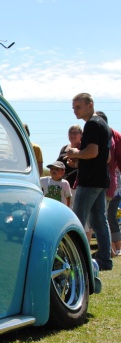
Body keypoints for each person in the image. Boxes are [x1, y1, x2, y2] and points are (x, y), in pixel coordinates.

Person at [64, 93, 112, 270]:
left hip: (90, 180)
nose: (75, 111)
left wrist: (75, 153)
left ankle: (75, 259)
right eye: (74, 108)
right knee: (100, 221)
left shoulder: (92, 124)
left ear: (90, 105)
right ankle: (104, 260)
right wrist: (79, 160)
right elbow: (102, 156)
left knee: (77, 219)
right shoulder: (102, 124)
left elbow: (92, 152)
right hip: (100, 179)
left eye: (78, 107)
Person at [97, 111, 121, 255]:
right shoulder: (100, 135)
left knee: (106, 216)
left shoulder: (114, 137)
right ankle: (110, 250)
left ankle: (112, 249)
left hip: (111, 184)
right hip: (101, 181)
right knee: (102, 216)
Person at [57, 124, 82, 188]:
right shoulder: (64, 148)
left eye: (75, 133)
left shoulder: (83, 148)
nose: (72, 135)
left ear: (81, 135)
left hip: (76, 184)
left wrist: (75, 164)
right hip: (62, 184)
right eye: (70, 133)